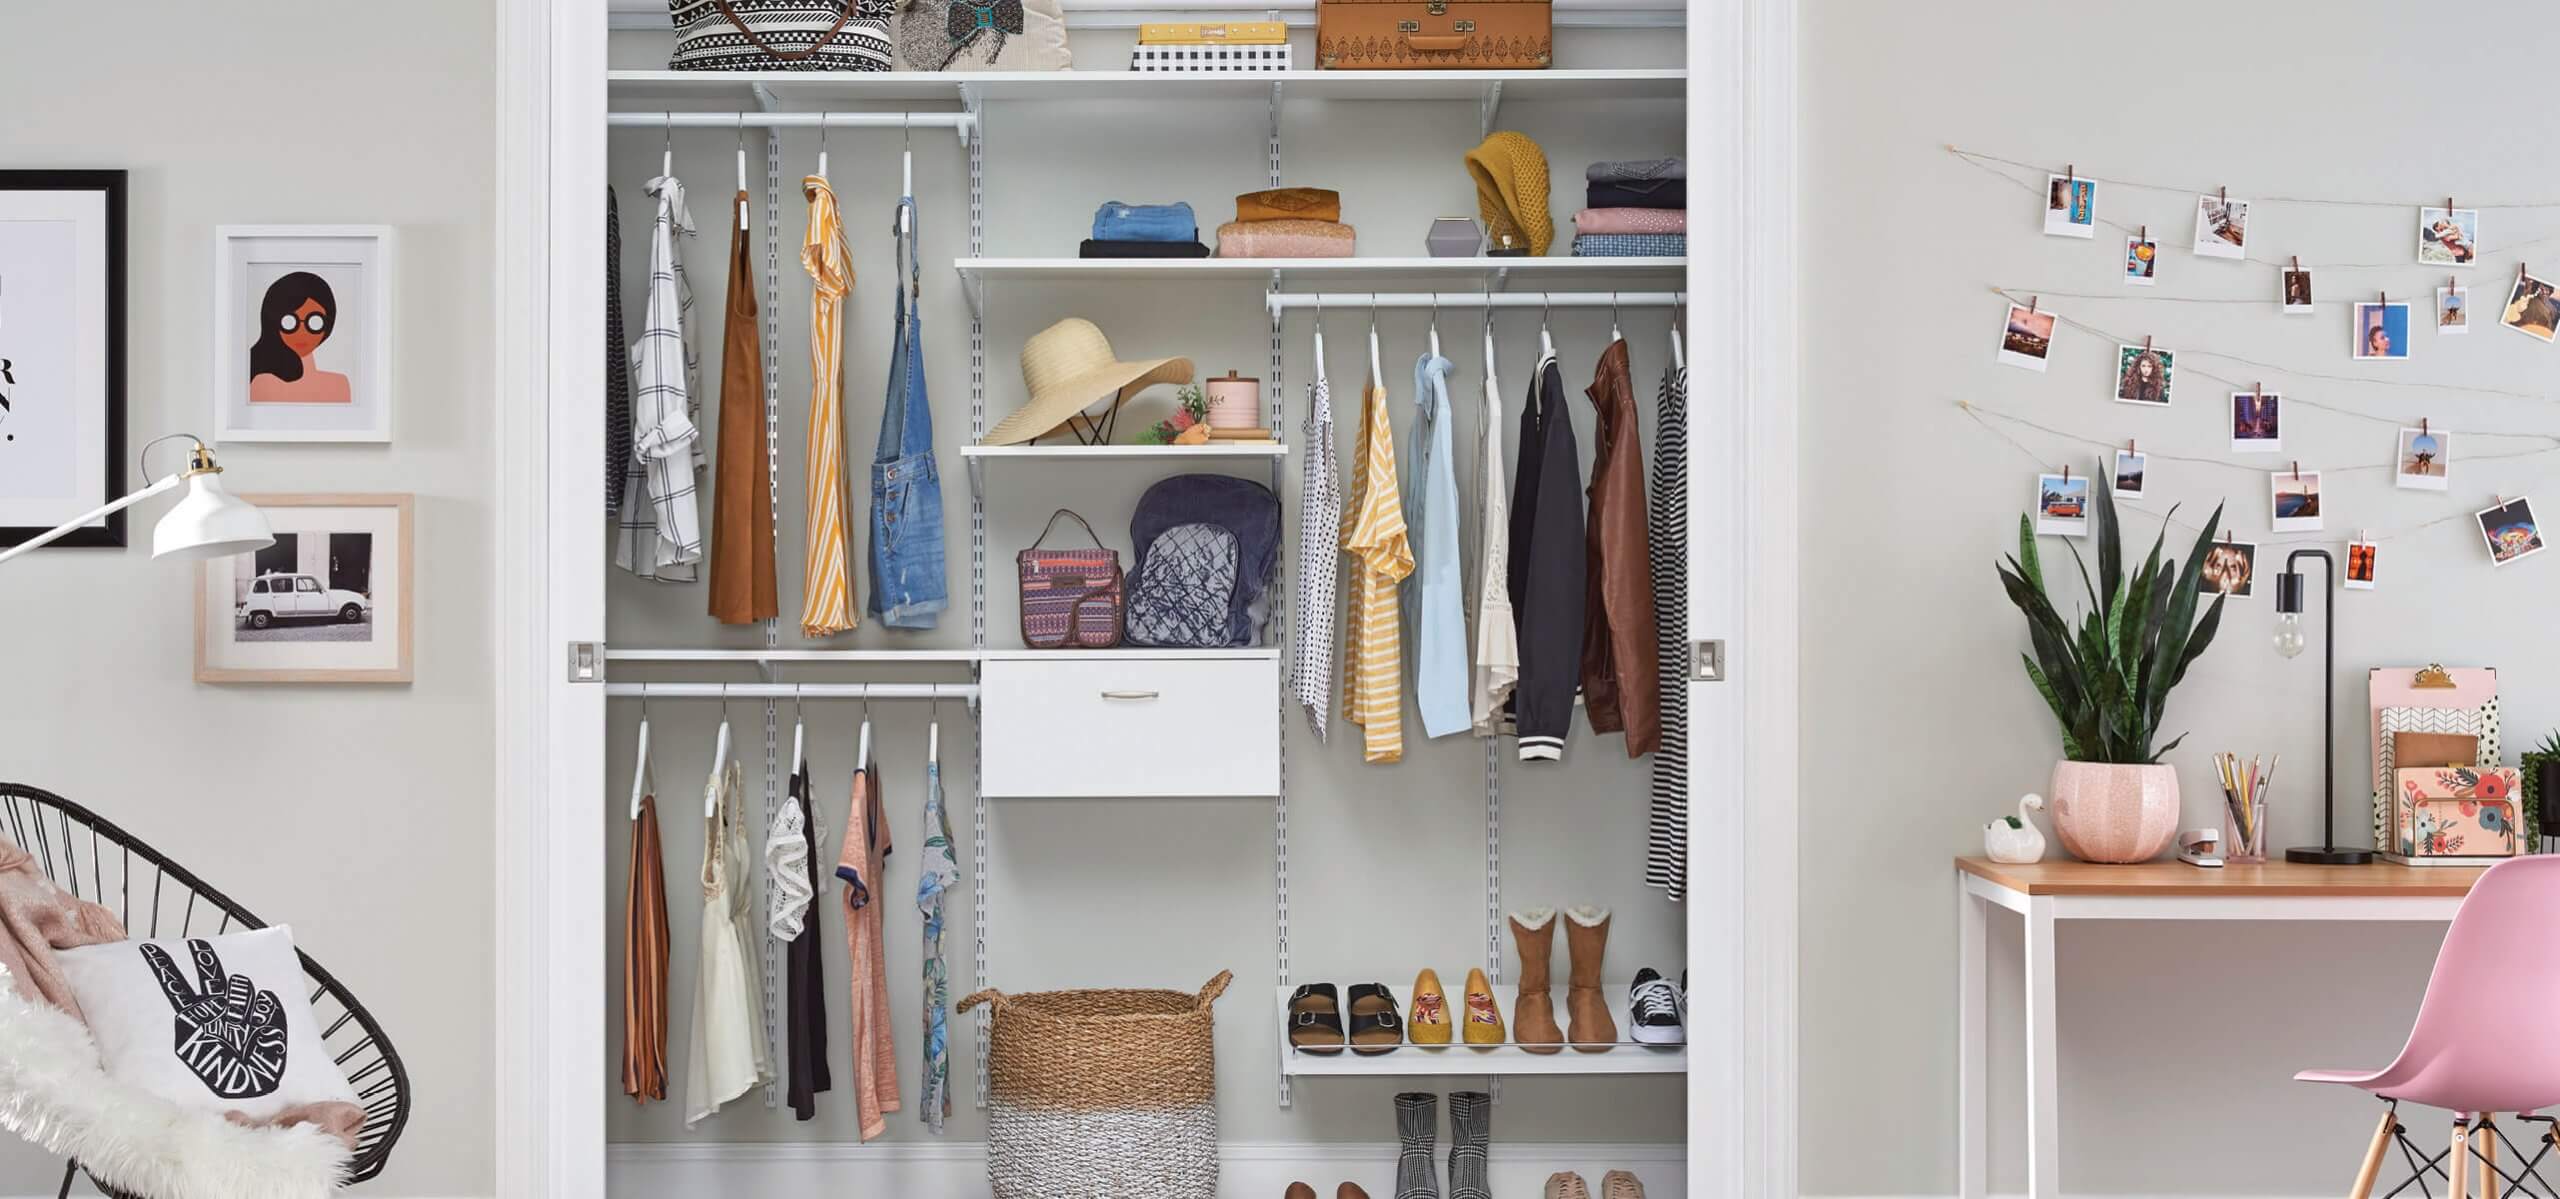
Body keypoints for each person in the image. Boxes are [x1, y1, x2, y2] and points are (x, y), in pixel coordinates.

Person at [248, 271, 352, 404]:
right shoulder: (262, 382)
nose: (302, 332)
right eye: (290, 322)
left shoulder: (339, 385)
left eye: (314, 321)